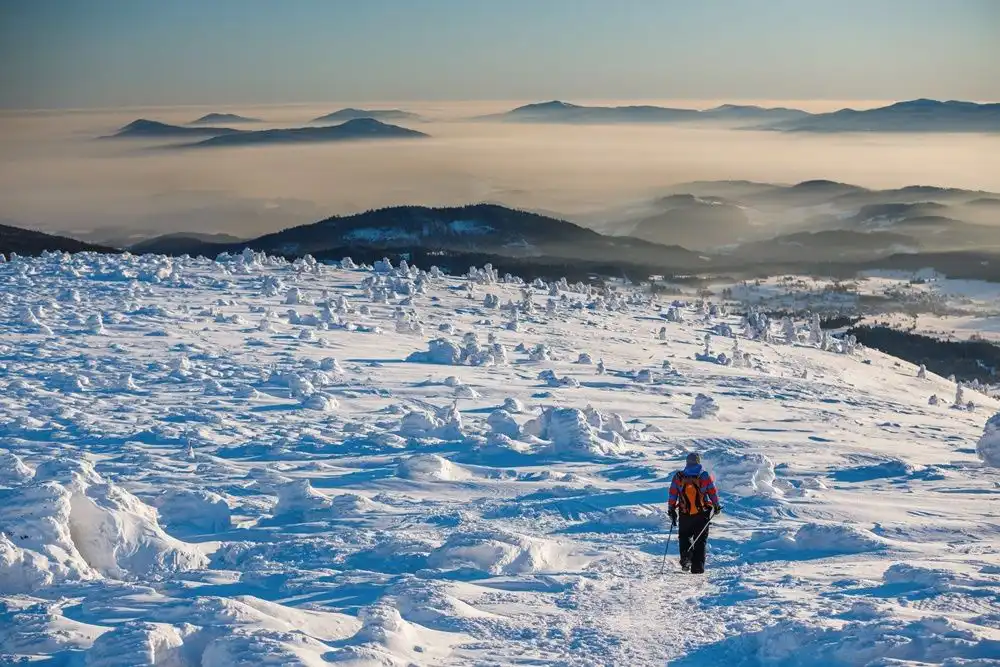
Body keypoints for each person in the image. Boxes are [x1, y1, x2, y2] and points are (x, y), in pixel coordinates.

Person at [667, 452, 722, 574]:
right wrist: (716, 505)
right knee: (700, 540)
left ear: (687, 463)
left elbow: (673, 493)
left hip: (684, 513)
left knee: (684, 537)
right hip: (702, 514)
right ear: (698, 462)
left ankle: (686, 558)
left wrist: (671, 509)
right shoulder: (704, 476)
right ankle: (698, 567)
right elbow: (712, 492)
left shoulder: (679, 477)